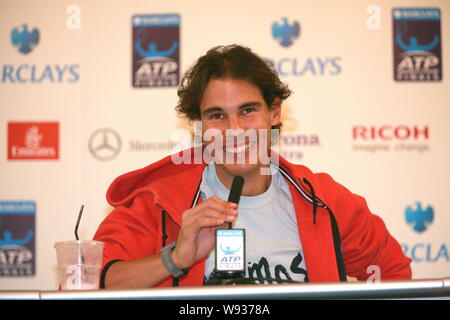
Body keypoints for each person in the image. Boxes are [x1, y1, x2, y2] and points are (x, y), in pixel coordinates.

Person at [93, 44, 412, 288]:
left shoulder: (323, 199)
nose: (234, 130)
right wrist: (176, 258)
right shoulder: (157, 203)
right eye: (216, 115)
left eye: (247, 111)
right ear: (199, 126)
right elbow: (88, 284)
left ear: (274, 113)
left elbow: (393, 271)